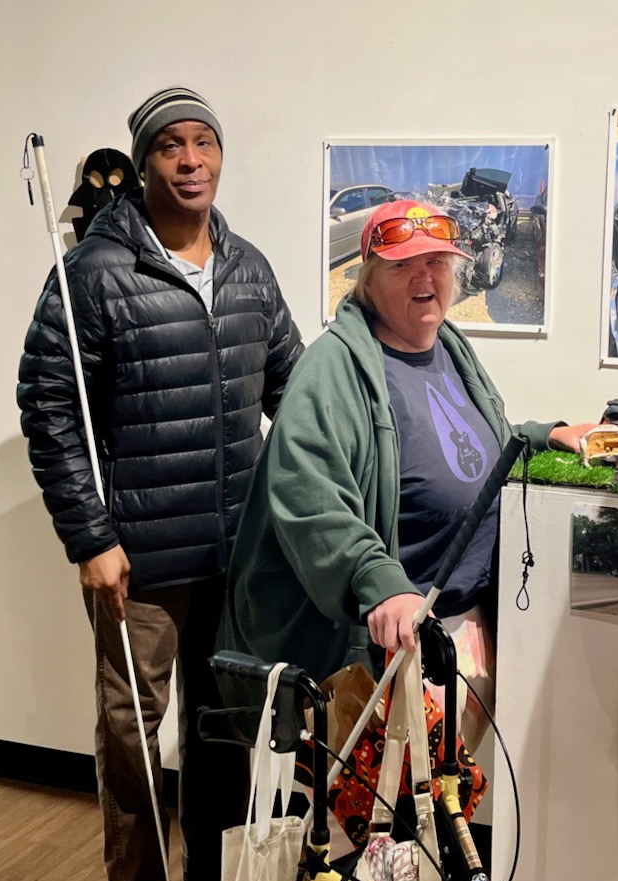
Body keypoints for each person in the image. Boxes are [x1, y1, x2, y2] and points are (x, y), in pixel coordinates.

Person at [17, 86, 303, 881]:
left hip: (233, 560)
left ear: (220, 155)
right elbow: (49, 405)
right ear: (144, 160)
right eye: (171, 144)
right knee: (132, 740)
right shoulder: (93, 272)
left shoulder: (248, 267)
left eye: (203, 142)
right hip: (136, 562)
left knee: (224, 735)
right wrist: (90, 538)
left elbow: (294, 388)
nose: (190, 159)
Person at [219, 198, 588, 751]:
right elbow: (309, 498)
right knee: (377, 823)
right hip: (382, 648)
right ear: (368, 279)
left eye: (438, 262)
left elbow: (467, 444)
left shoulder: (447, 346)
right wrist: (379, 585)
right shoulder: (333, 369)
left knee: (442, 812)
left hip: (458, 632)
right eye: (402, 265)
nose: (425, 276)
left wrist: (542, 434)